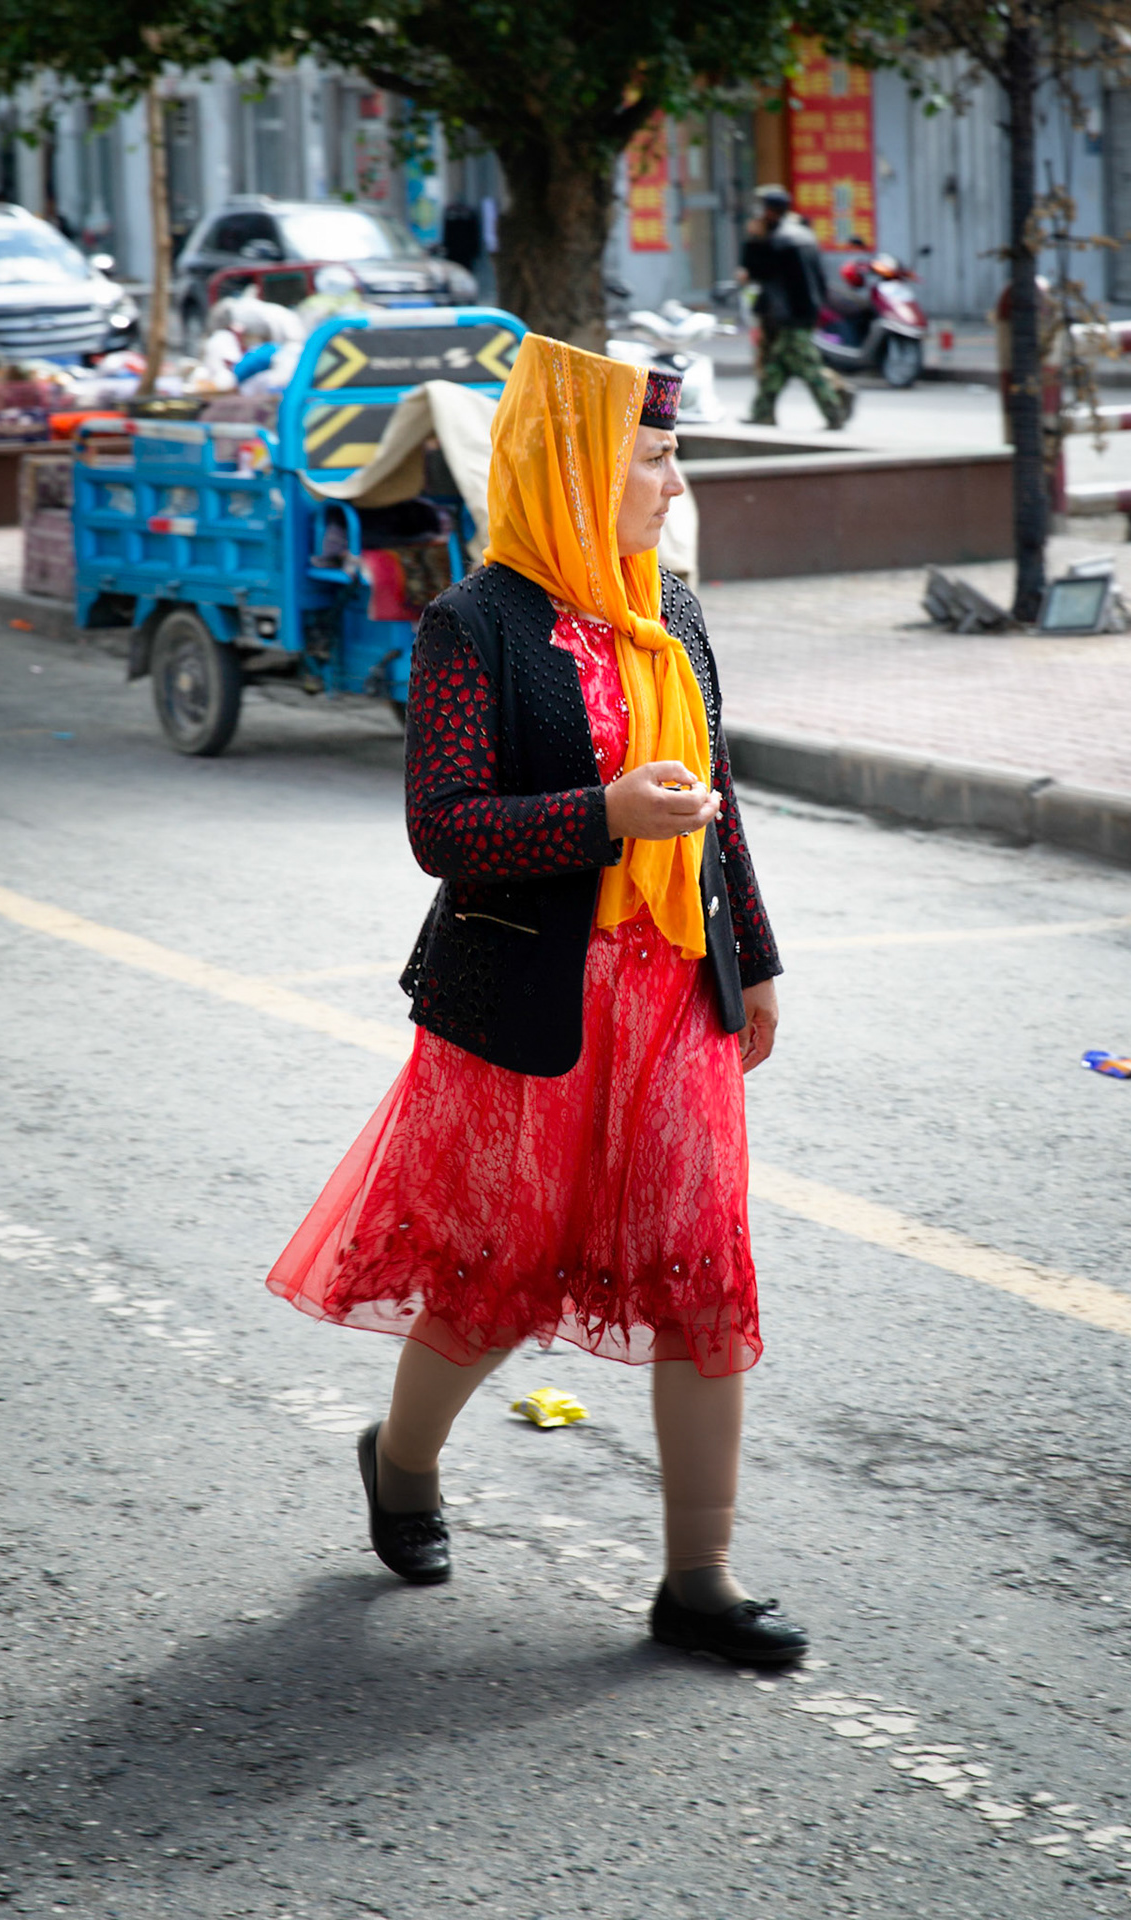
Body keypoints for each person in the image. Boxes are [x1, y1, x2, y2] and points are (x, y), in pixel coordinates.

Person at [266, 335, 807, 1666]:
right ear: (573, 464)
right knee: (495, 1279)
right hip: (527, 1000)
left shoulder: (670, 609)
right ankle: (400, 1464)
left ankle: (700, 1576)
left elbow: (717, 802)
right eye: (656, 458)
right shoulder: (478, 628)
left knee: (699, 1270)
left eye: (675, 458)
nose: (673, 488)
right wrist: (602, 816)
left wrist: (761, 957)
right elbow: (446, 831)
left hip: (675, 989)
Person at [738, 185, 852, 429]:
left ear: (769, 211)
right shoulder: (803, 234)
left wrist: (753, 239)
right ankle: (762, 413)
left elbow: (754, 270)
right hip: (805, 311)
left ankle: (835, 411)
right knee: (776, 367)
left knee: (808, 368)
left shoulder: (778, 240)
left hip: (790, 315)